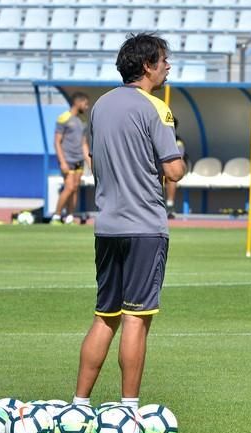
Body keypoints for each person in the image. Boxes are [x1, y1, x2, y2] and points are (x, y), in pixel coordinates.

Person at [72, 33, 186, 412]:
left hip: (107, 226)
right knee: (136, 318)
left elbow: (94, 161)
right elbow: (174, 171)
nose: (168, 65)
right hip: (144, 227)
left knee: (105, 316)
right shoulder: (156, 108)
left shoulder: (101, 106)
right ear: (148, 65)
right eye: (164, 59)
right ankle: (128, 408)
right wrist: (177, 154)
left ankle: (80, 403)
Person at [51, 92, 91, 225]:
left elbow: (84, 144)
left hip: (79, 160)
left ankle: (69, 216)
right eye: (85, 104)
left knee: (75, 188)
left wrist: (89, 162)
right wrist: (62, 162)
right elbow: (57, 141)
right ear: (78, 103)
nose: (87, 107)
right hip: (67, 159)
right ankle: (56, 216)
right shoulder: (63, 118)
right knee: (68, 187)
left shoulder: (83, 121)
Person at [164, 117, 186, 219]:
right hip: (162, 166)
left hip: (179, 165)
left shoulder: (178, 141)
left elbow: (177, 160)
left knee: (171, 174)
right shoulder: (157, 138)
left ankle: (170, 206)